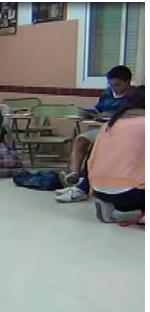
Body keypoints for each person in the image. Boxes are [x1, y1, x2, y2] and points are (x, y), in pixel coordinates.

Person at [57, 65, 136, 203]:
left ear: (128, 81)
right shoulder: (107, 93)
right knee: (80, 140)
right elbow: (98, 110)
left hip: (120, 131)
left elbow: (134, 115)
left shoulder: (136, 95)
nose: (113, 88)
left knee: (96, 151)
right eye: (110, 84)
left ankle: (82, 186)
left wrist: (112, 115)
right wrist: (93, 114)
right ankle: (76, 176)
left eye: (117, 84)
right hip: (101, 126)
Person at [86, 86, 144, 223]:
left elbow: (91, 160)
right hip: (132, 192)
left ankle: (107, 205)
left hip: (99, 189)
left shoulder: (109, 124)